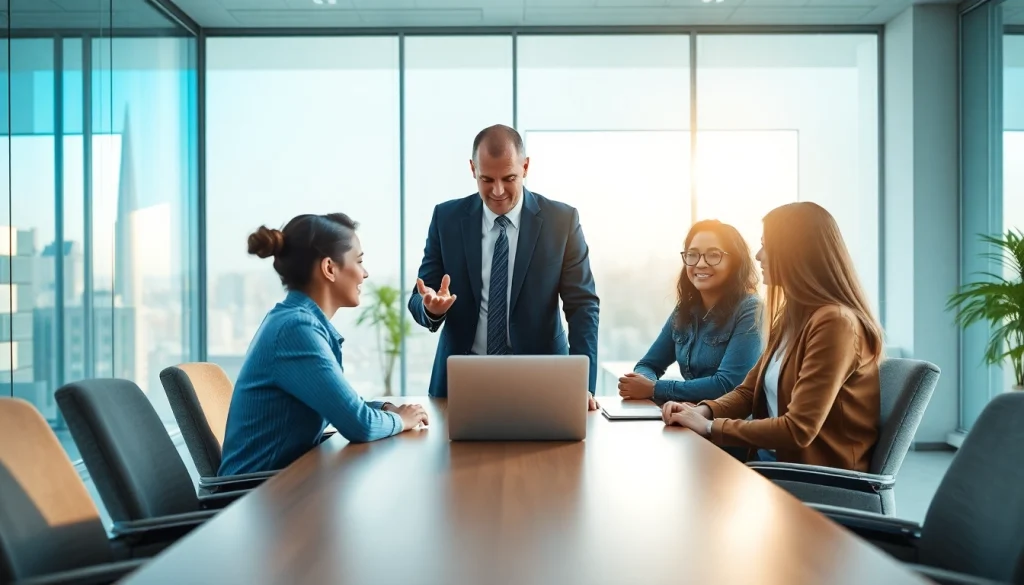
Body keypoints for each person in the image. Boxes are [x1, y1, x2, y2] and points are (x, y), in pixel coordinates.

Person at [662, 202, 883, 471]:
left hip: (810, 476)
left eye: (766, 246)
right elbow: (748, 392)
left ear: (795, 252)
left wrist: (710, 426)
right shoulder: (793, 317)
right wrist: (702, 411)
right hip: (771, 463)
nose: (758, 256)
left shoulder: (836, 323)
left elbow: (798, 429)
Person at [219, 213, 429, 476]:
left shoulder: (295, 322)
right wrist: (401, 419)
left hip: (282, 483)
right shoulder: (295, 329)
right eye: (359, 261)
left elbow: (340, 405)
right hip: (256, 494)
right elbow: (360, 425)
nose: (365, 273)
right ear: (329, 268)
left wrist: (386, 409)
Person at [408, 124, 601, 410]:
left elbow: (583, 306)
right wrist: (431, 310)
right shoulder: (446, 219)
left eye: (509, 178)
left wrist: (582, 385)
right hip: (461, 381)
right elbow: (419, 296)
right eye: (486, 179)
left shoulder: (562, 221)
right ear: (472, 169)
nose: (497, 191)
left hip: (543, 378)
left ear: (526, 167)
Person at [618, 220, 762, 405]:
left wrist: (654, 388)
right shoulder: (685, 309)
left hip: (728, 421)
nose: (700, 264)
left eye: (713, 255)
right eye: (692, 255)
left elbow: (728, 385)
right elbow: (648, 365)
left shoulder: (751, 309)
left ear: (735, 261)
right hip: (688, 416)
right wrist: (643, 383)